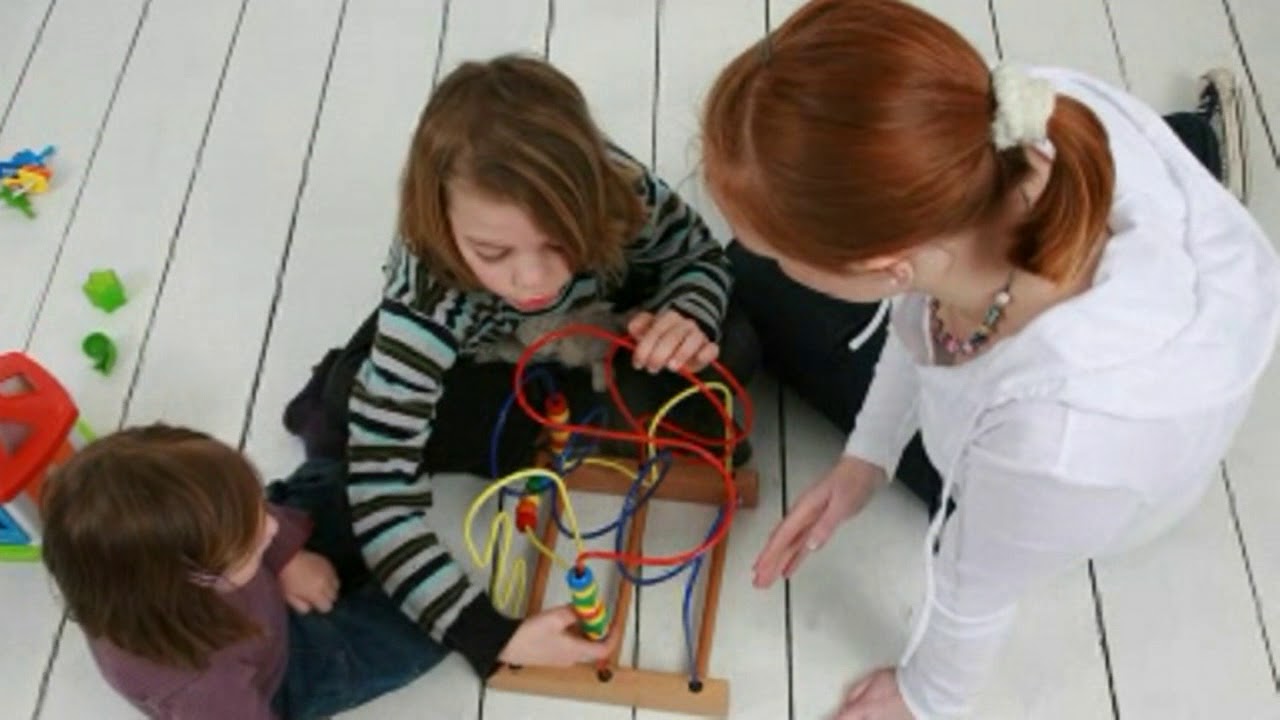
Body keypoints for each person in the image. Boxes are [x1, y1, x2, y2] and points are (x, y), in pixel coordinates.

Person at [701, 0, 1280, 717]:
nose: (772, 258)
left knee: (750, 287)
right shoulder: (1008, 123)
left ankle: (1196, 147)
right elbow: (923, 321)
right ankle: (1193, 144)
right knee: (758, 284)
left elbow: (972, 588)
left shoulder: (1051, 443)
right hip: (1075, 346)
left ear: (887, 266)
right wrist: (866, 458)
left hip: (1086, 483)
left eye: (782, 253)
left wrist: (924, 696)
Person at [283, 54, 758, 678]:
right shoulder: (428, 293)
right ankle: (383, 390)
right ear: (441, 222)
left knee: (736, 341)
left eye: (559, 241)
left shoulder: (618, 192)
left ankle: (573, 400)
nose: (533, 278)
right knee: (359, 410)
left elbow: (699, 258)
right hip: (483, 356)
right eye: (493, 252)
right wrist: (493, 636)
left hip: (601, 327)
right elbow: (379, 498)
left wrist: (684, 317)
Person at [40, 425, 448, 719]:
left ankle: (314, 421)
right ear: (191, 582)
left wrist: (285, 555)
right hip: (284, 666)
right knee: (423, 632)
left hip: (260, 588)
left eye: (255, 509)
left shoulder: (196, 530)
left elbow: (257, 519)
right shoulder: (200, 686)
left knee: (352, 481)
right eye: (248, 542)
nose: (268, 527)